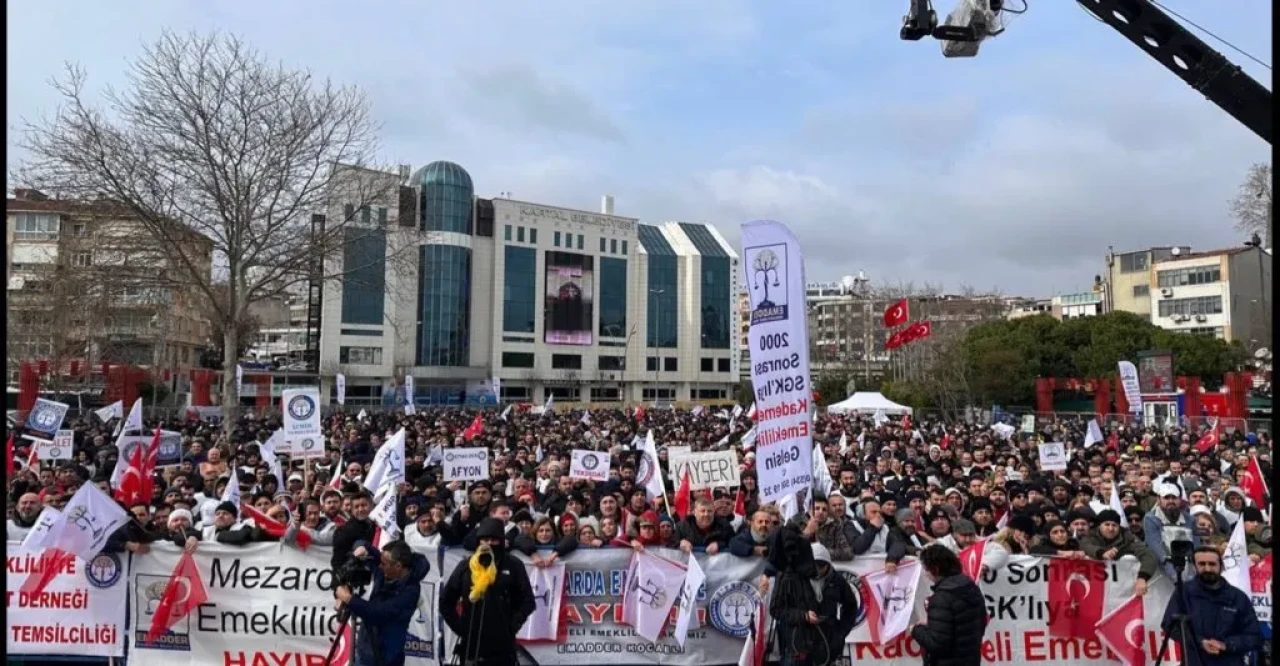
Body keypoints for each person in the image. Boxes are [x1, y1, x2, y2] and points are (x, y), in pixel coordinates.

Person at [439, 518, 536, 666]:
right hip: (471, 644)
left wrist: (512, 625)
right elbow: (446, 601)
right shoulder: (466, 566)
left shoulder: (514, 565)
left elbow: (528, 601)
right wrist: (460, 627)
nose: (489, 543)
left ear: (501, 541)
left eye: (494, 539)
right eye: (485, 539)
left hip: (502, 646)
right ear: (479, 541)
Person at [334, 539, 431, 666]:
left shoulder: (410, 592)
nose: (379, 566)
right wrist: (361, 547)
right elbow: (364, 544)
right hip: (365, 651)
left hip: (385, 658)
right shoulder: (386, 565)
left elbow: (377, 614)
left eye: (383, 564)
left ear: (398, 566)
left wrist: (349, 598)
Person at [1162, 546, 1261, 666]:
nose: (1207, 568)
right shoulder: (1184, 592)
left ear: (1221, 566)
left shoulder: (1238, 597)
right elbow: (1169, 625)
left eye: (1212, 564)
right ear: (1194, 566)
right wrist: (1200, 642)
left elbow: (1254, 637)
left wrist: (1226, 645)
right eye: (1202, 564)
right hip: (1194, 661)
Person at [910, 544, 987, 666]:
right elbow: (981, 622)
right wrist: (934, 626)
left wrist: (915, 630)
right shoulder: (971, 586)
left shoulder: (941, 598)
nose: (925, 573)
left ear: (935, 569)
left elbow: (937, 644)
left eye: (926, 569)